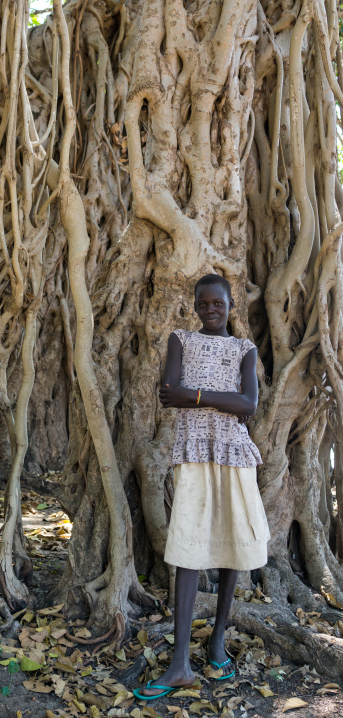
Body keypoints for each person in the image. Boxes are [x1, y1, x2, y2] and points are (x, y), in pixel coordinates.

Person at [133, 274, 270, 702]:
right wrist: (215, 398)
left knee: (233, 547)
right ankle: (179, 664)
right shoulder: (181, 340)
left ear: (231, 306)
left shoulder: (244, 350)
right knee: (188, 548)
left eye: (219, 303)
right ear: (195, 306)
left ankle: (215, 643)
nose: (211, 309)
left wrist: (195, 395)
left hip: (235, 453)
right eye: (204, 303)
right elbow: (168, 393)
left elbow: (248, 404)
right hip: (191, 453)